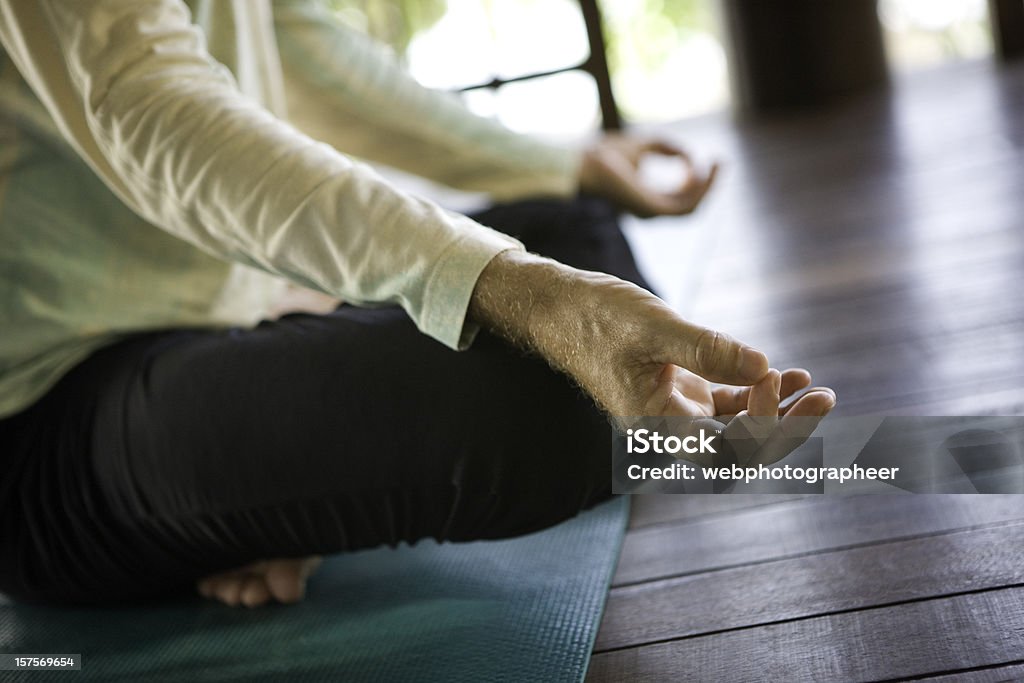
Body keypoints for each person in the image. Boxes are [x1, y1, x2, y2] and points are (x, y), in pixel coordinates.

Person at [0, 0, 835, 608]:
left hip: (230, 323)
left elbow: (306, 57)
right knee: (546, 406)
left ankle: (257, 495)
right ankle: (238, 501)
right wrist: (538, 302)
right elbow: (157, 118)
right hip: (47, 415)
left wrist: (567, 164)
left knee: (572, 228)